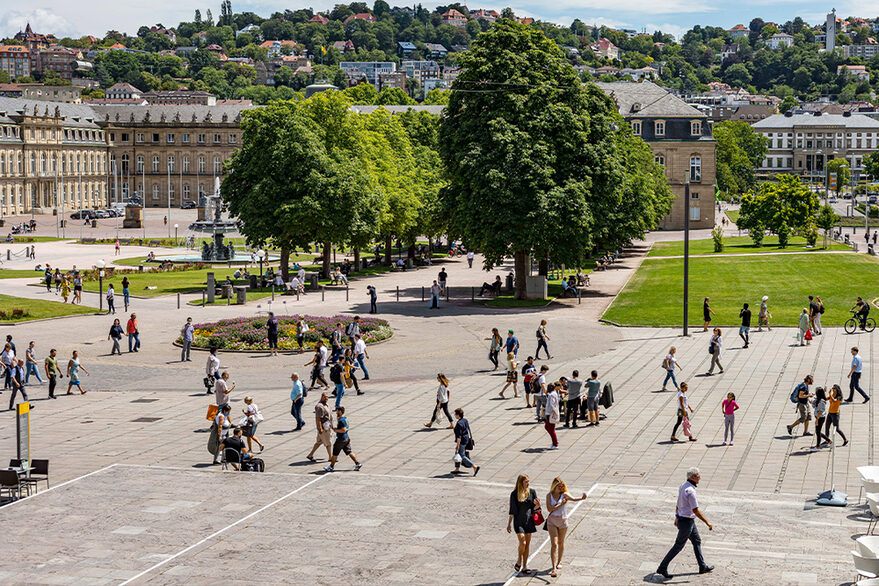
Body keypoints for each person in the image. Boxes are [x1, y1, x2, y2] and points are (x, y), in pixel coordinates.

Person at [655, 467, 713, 580]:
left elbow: (678, 503)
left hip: (684, 520)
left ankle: (702, 566)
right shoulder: (691, 491)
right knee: (678, 546)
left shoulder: (683, 486)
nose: (700, 477)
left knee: (697, 541)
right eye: (698, 476)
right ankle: (662, 567)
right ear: (693, 477)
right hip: (687, 522)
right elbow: (695, 510)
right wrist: (707, 522)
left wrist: (677, 517)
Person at [545, 477, 587, 578]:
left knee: (561, 542)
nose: (561, 487)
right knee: (554, 544)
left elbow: (573, 499)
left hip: (563, 521)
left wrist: (582, 498)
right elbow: (549, 508)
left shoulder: (564, 494)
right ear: (555, 486)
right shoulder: (549, 495)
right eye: (559, 486)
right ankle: (553, 567)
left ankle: (559, 561)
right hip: (552, 521)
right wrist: (561, 504)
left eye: (562, 486)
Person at [507, 474, 539, 575]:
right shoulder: (514, 494)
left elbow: (534, 508)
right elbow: (512, 510)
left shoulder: (532, 492)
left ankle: (525, 566)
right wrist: (509, 524)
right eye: (526, 482)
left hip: (529, 521)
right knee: (523, 543)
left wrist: (538, 505)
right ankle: (519, 560)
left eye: (528, 481)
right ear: (521, 482)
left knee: (527, 544)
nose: (528, 483)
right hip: (519, 521)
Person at [324, 406, 362, 472]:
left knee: (335, 453)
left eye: (337, 411)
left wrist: (336, 430)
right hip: (346, 438)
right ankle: (357, 463)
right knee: (349, 452)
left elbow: (343, 430)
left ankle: (331, 467)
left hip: (341, 439)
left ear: (340, 411)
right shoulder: (345, 419)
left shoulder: (341, 421)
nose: (336, 412)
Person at [306, 392, 333, 462]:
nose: (326, 398)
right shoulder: (319, 406)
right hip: (324, 428)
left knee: (319, 442)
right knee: (328, 443)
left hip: (327, 426)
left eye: (327, 397)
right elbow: (318, 418)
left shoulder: (326, 404)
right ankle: (331, 457)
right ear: (321, 397)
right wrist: (320, 428)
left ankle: (310, 455)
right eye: (325, 397)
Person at [452, 407, 479, 476]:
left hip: (461, 441)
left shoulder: (459, 424)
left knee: (462, 455)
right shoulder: (465, 420)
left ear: (458, 415)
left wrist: (457, 445)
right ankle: (457, 468)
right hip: (466, 439)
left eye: (455, 414)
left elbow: (459, 436)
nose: (455, 415)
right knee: (457, 453)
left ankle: (474, 466)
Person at [811, 387, 830, 452]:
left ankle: (818, 446)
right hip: (818, 417)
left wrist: (817, 420)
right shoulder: (818, 399)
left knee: (818, 432)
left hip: (820, 418)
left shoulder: (821, 401)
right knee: (818, 431)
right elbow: (814, 405)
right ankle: (828, 441)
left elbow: (820, 412)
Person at [545, 382, 560, 449]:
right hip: (552, 412)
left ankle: (555, 443)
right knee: (547, 426)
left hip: (550, 413)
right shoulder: (554, 393)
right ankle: (554, 440)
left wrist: (553, 412)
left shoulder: (551, 395)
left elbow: (552, 404)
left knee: (551, 429)